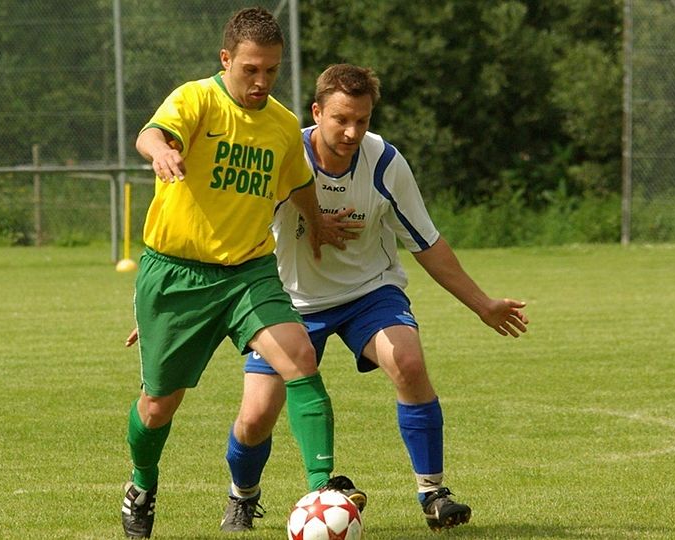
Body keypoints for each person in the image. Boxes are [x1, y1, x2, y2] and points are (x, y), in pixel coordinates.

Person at [218, 64, 530, 533]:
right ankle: (243, 496)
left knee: (407, 360)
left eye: (362, 121)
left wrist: (482, 303)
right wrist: (186, 308)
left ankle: (433, 493)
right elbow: (232, 233)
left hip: (369, 292)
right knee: (257, 415)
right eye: (341, 119)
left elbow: (426, 242)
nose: (351, 131)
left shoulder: (384, 162)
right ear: (317, 111)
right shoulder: (283, 156)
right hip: (290, 302)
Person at [120, 9, 363, 539]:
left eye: (272, 71)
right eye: (251, 69)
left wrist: (316, 220)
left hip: (249, 272)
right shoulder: (195, 99)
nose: (261, 82)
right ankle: (142, 483)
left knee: (299, 357)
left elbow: (297, 182)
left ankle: (321, 489)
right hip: (176, 273)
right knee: (159, 405)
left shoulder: (279, 124)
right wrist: (161, 150)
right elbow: (152, 134)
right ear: (226, 59)